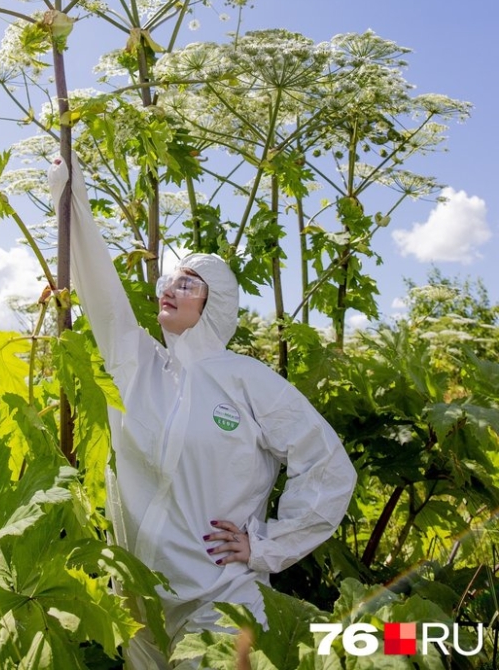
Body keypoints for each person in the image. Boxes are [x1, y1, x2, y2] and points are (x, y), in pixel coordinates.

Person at [48, 155, 357, 670]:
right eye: (169, 280)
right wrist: (70, 196)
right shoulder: (136, 364)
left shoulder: (246, 380)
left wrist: (266, 545)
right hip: (138, 600)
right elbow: (102, 294)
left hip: (220, 600)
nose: (170, 287)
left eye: (188, 283)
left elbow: (327, 467)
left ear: (215, 305)